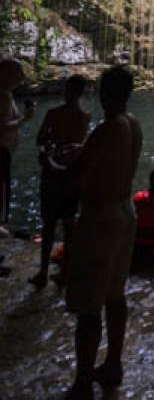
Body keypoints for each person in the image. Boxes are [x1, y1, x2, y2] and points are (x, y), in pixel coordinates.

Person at [64, 66, 142, 400]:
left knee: (88, 305)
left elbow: (76, 173)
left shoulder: (107, 128)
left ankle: (83, 381)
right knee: (115, 293)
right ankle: (112, 364)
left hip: (100, 219)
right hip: (125, 212)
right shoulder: (134, 124)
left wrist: (53, 162)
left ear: (103, 92)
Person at [29, 74, 91, 288]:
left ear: (66, 90)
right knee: (69, 224)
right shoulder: (86, 116)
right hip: (73, 175)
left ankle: (43, 272)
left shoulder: (53, 114)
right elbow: (81, 146)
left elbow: (39, 140)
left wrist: (51, 148)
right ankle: (66, 272)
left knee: (48, 224)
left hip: (53, 175)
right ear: (83, 93)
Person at [0, 58, 32, 238]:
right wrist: (25, 119)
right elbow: (3, 126)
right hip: (1, 150)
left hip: (5, 150)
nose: (22, 77)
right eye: (18, 73)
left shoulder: (6, 94)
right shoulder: (3, 96)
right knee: (2, 188)